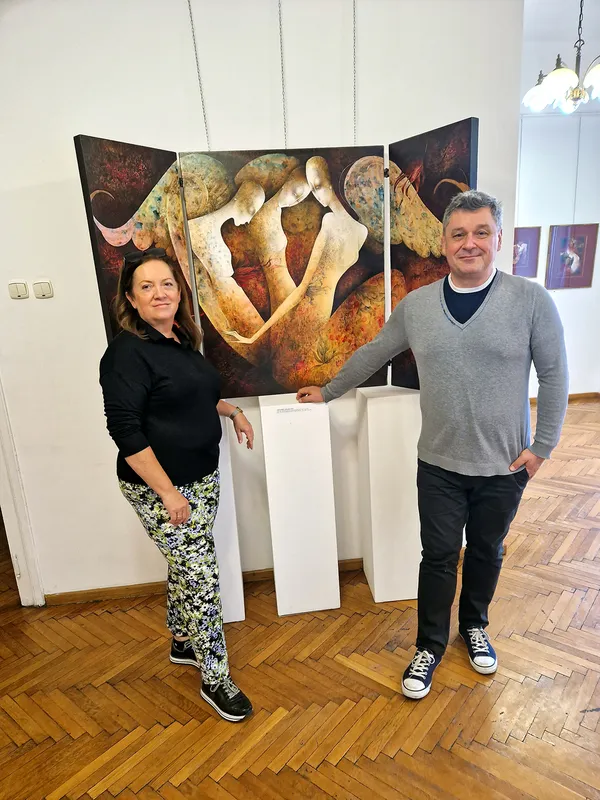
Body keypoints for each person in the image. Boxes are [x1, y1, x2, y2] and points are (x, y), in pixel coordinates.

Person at [297, 190, 569, 700]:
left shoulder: (531, 301)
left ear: (498, 238)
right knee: (439, 556)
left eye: (481, 232)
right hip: (439, 464)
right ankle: (429, 645)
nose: (470, 243)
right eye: (459, 234)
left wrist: (543, 447)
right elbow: (375, 350)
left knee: (487, 551)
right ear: (443, 243)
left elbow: (554, 376)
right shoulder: (418, 306)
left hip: (504, 466)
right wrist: (330, 390)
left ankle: (475, 627)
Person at [99, 247, 254, 722]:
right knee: (202, 579)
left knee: (187, 565)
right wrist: (167, 492)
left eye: (166, 283)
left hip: (202, 478)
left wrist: (232, 411)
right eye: (146, 286)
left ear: (178, 290)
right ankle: (215, 679)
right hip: (161, 488)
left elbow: (193, 396)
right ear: (131, 298)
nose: (158, 293)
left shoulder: (179, 338)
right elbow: (125, 430)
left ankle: (183, 642)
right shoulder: (126, 354)